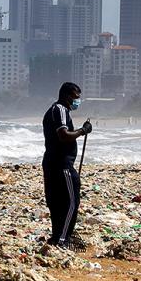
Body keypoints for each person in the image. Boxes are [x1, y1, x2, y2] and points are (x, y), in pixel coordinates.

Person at [42, 82, 92, 250]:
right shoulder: (60, 110)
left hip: (51, 162)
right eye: (76, 98)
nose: (78, 101)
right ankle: (62, 239)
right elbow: (64, 135)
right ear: (67, 96)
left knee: (56, 202)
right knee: (71, 201)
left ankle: (57, 236)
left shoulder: (55, 111)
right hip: (62, 164)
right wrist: (82, 131)